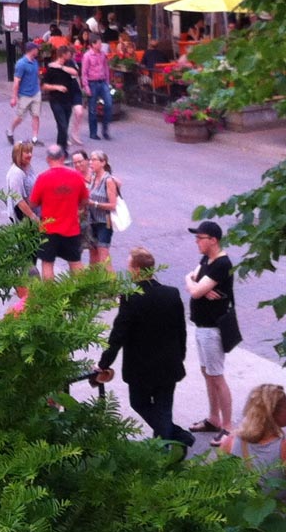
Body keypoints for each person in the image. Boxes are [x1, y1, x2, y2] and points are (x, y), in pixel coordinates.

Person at [95, 246, 193, 446]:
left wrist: (104, 363)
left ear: (137, 270)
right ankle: (174, 439)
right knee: (163, 408)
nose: (128, 271)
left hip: (141, 368)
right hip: (168, 365)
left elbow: (118, 334)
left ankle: (170, 446)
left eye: (129, 267)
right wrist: (180, 356)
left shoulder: (131, 298)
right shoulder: (171, 294)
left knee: (139, 403)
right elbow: (181, 330)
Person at [217, 384, 286, 511]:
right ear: (272, 412)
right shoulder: (285, 449)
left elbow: (218, 488)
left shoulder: (229, 442)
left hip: (246, 518)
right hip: (281, 523)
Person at [185, 220, 235, 437]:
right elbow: (193, 278)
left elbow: (195, 291)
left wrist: (198, 289)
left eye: (200, 238)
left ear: (213, 240)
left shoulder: (222, 264)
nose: (196, 242)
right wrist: (195, 284)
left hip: (213, 329)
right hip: (202, 326)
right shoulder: (207, 259)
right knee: (207, 373)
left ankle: (228, 425)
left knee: (217, 376)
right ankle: (213, 418)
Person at [28, 144, 88, 280]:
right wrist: (77, 209)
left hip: (49, 228)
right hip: (71, 228)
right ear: (63, 157)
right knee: (75, 262)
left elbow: (33, 203)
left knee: (47, 263)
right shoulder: (76, 176)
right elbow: (84, 200)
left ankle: (50, 296)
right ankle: (81, 294)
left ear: (48, 159)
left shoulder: (43, 177)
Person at [85, 151, 120, 269]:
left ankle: (112, 284)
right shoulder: (93, 177)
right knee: (93, 253)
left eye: (94, 160)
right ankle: (93, 283)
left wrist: (94, 203)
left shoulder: (108, 180)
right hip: (92, 221)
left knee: (103, 253)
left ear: (103, 162)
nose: (91, 162)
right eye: (90, 159)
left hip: (104, 222)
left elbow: (112, 205)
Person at [7, 42, 43, 146]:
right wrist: (14, 97)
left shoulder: (35, 62)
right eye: (36, 49)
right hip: (24, 95)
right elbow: (16, 81)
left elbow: (36, 76)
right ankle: (10, 131)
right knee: (20, 117)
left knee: (36, 115)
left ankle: (35, 138)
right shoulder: (21, 64)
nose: (38, 50)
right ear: (32, 50)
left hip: (36, 93)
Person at [42, 46, 77, 148]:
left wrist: (61, 67)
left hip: (68, 99)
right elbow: (44, 85)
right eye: (68, 53)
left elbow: (75, 73)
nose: (70, 55)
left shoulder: (69, 64)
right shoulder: (51, 68)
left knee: (64, 125)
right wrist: (57, 87)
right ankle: (62, 150)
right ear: (63, 54)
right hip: (56, 100)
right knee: (62, 125)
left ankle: (61, 146)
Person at [82, 37, 114, 140]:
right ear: (93, 44)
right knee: (92, 109)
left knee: (108, 104)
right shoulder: (87, 56)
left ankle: (105, 130)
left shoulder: (103, 55)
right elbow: (84, 72)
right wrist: (86, 86)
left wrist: (107, 82)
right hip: (92, 83)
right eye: (99, 43)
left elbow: (106, 68)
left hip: (103, 81)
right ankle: (93, 132)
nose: (101, 45)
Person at [5, 141, 39, 225]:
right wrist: (33, 217)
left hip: (33, 210)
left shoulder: (27, 166)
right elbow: (19, 200)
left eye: (31, 152)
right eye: (27, 152)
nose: (30, 155)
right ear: (18, 154)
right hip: (24, 216)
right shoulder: (16, 173)